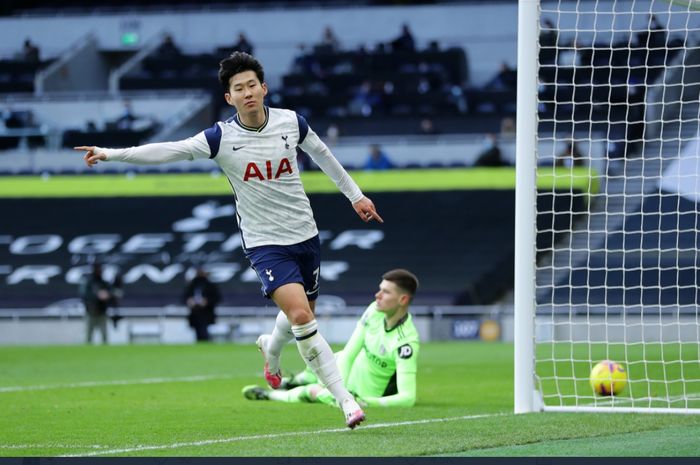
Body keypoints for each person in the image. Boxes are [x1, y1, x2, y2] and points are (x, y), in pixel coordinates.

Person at [74, 52, 382, 429]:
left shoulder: (291, 123)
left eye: (252, 84)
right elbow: (170, 151)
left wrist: (356, 196)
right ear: (229, 98)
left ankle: (271, 350)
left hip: (305, 234)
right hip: (264, 243)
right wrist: (110, 153)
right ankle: (346, 401)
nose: (248, 92)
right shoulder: (221, 138)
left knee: (301, 315)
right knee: (302, 317)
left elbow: (324, 155)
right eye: (239, 88)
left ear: (264, 88)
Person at [242, 269, 420, 408]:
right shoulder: (374, 310)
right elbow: (350, 352)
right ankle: (293, 381)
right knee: (326, 358)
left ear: (403, 299)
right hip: (346, 373)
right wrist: (338, 387)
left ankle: (269, 394)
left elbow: (408, 398)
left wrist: (360, 400)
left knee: (311, 392)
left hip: (360, 391)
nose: (377, 295)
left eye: (386, 292)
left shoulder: (406, 343)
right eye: (379, 289)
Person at [183, 268, 222, 342]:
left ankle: (206, 343)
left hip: (207, 312)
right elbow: (185, 297)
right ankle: (201, 344)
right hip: (195, 312)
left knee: (204, 330)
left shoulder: (210, 285)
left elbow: (217, 298)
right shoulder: (192, 285)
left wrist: (207, 301)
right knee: (198, 331)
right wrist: (190, 301)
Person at [79, 264, 114, 344]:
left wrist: (107, 294)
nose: (99, 272)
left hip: (102, 312)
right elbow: (84, 295)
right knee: (88, 335)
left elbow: (111, 292)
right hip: (90, 312)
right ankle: (87, 353)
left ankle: (105, 353)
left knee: (104, 335)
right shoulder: (89, 283)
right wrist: (97, 295)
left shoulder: (104, 283)